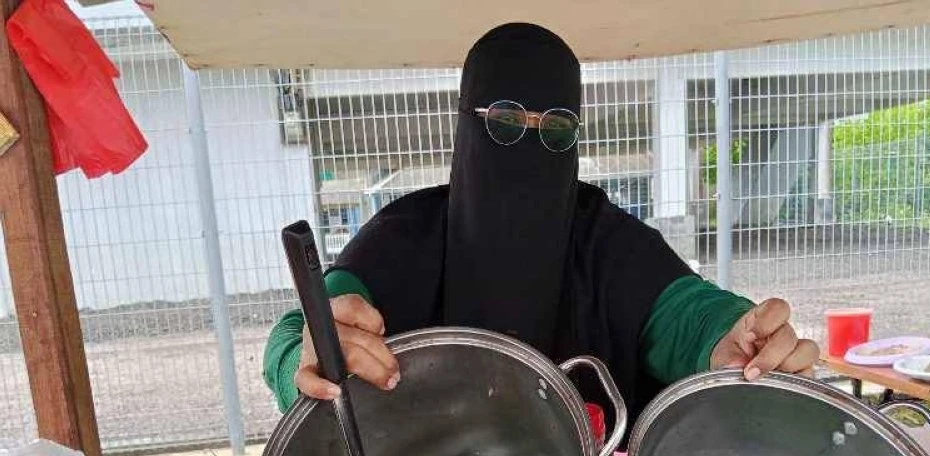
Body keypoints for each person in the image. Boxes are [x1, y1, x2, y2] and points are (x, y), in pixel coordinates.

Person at [264, 22, 818, 422]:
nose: (529, 144)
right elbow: (302, 333)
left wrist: (737, 337)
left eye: (554, 130)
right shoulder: (404, 239)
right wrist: (307, 358)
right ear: (467, 125)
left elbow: (686, 314)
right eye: (504, 121)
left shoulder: (602, 240)